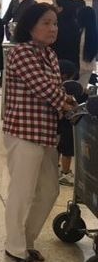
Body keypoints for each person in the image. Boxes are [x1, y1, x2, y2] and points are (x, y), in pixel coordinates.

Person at [3, 3, 76, 262]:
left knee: (49, 190)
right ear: (30, 25)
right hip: (23, 132)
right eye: (46, 22)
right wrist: (65, 101)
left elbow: (54, 91)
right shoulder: (21, 53)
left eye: (55, 23)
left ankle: (26, 239)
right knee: (21, 193)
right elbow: (44, 88)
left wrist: (67, 101)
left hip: (46, 133)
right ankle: (15, 247)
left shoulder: (51, 55)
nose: (52, 28)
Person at [56, 59, 77, 187]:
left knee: (58, 148)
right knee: (67, 150)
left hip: (58, 124)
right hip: (68, 125)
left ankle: (55, 168)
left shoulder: (56, 86)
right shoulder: (70, 86)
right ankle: (65, 173)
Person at [52, 0, 81, 70]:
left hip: (58, 63)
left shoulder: (57, 24)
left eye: (54, 5)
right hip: (72, 64)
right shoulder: (75, 23)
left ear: (60, 8)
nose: (51, 7)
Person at [77, 6, 98, 88]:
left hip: (80, 65)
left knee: (76, 90)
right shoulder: (93, 32)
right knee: (81, 88)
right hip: (88, 65)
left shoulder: (80, 31)